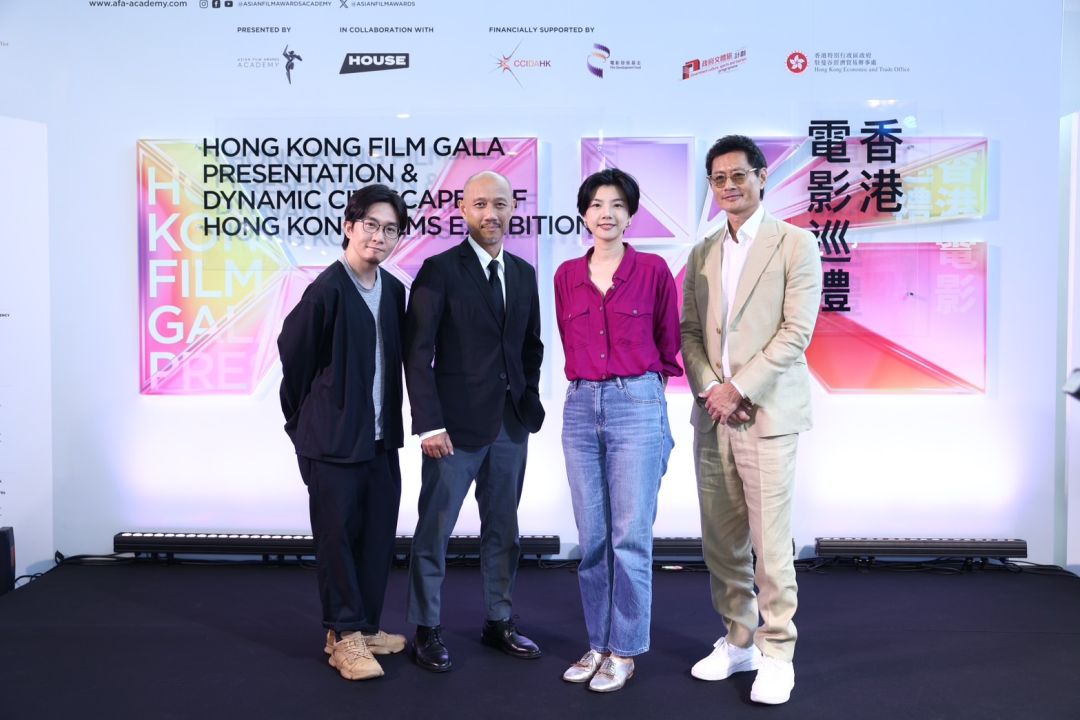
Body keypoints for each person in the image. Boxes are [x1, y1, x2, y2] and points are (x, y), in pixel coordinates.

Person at [680, 135, 822, 705]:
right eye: (718, 179)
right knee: (721, 540)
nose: (728, 186)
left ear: (762, 177)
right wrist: (712, 389)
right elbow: (690, 333)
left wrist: (739, 387)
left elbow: (796, 331)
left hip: (766, 413)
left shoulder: (795, 243)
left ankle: (778, 651)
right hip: (714, 415)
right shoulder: (703, 251)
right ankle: (738, 639)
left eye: (738, 175)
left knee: (770, 542)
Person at [403, 170, 545, 672]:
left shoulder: (524, 273)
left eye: (500, 204)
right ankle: (426, 628)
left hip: (510, 425)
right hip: (453, 428)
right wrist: (429, 424)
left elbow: (530, 346)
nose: (491, 213)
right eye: (480, 204)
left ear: (513, 209)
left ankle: (498, 620)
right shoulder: (439, 270)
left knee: (504, 530)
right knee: (435, 529)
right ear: (463, 210)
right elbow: (417, 353)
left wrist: (528, 399)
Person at [553, 168, 681, 693]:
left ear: (631, 214)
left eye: (617, 205)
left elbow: (668, 339)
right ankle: (598, 643)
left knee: (629, 535)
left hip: (636, 401)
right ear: (584, 214)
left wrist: (645, 391)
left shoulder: (652, 269)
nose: (606, 213)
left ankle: (624, 650)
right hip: (581, 403)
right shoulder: (566, 274)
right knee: (592, 538)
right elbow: (568, 339)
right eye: (596, 205)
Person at [277, 183, 409, 681]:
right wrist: (306, 422)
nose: (379, 236)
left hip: (379, 440)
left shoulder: (393, 291)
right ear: (349, 226)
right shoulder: (327, 290)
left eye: (390, 229)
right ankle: (343, 635)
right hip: (332, 442)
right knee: (336, 542)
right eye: (371, 225)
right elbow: (295, 360)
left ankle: (363, 627)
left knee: (376, 538)